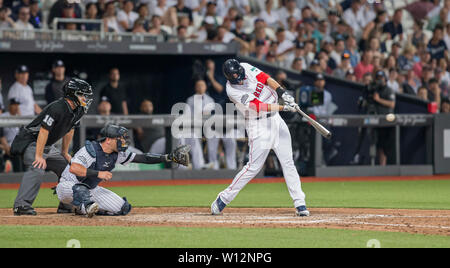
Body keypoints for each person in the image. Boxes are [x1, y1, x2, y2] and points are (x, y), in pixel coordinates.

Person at [210, 59, 309, 217]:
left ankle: (300, 203)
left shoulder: (245, 67)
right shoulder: (232, 90)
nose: (242, 78)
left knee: (288, 162)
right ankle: (223, 198)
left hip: (276, 120)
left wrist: (283, 93)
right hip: (258, 125)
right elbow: (257, 106)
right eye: (238, 77)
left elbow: (266, 78)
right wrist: (284, 107)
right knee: (253, 167)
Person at [55, 124, 190, 217]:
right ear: (108, 140)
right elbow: (74, 168)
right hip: (67, 186)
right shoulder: (90, 150)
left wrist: (168, 157)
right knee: (81, 190)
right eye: (119, 138)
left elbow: (142, 158)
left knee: (122, 208)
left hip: (90, 189)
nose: (123, 141)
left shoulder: (117, 153)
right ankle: (83, 207)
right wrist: (98, 174)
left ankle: (83, 208)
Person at [11, 78, 93, 216]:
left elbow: (71, 128)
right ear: (72, 94)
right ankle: (21, 205)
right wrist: (38, 155)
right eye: (81, 94)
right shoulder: (57, 107)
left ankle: (65, 205)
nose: (85, 97)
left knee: (70, 169)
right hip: (30, 142)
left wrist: (65, 152)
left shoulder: (79, 109)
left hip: (47, 146)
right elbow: (44, 130)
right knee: (38, 166)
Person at [372, 71, 396, 166]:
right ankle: (381, 165)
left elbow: (392, 104)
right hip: (377, 120)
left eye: (381, 78)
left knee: (387, 145)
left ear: (385, 79)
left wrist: (378, 100)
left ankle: (386, 166)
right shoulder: (375, 90)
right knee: (379, 145)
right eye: (378, 78)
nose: (379, 80)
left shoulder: (389, 90)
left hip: (388, 121)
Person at [0, 98, 23, 172]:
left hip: (15, 147)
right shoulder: (4, 116)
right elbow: (1, 134)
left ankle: (18, 175)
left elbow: (22, 135)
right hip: (4, 146)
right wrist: (6, 147)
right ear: (9, 106)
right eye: (14, 105)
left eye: (17, 105)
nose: (16, 107)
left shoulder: (19, 118)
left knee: (20, 155)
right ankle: (6, 166)